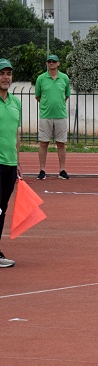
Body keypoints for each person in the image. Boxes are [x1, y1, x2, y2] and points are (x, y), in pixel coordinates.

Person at [34, 54, 71, 180]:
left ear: (58, 63)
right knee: (43, 143)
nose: (51, 63)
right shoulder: (41, 78)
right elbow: (38, 96)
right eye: (49, 61)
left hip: (61, 115)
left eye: (54, 61)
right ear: (46, 63)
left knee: (61, 143)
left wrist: (58, 104)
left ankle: (62, 170)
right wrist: (46, 105)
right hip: (45, 115)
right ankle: (42, 170)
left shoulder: (64, 78)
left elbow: (66, 95)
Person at [0, 59, 22, 267]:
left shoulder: (16, 103)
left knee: (2, 209)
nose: (6, 77)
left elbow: (16, 133)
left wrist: (18, 162)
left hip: (10, 164)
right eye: (2, 73)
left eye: (8, 73)